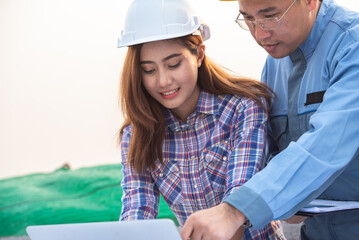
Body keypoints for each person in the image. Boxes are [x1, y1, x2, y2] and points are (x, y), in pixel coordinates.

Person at [180, 0, 359, 239]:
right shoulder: (275, 65)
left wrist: (235, 211)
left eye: (270, 16)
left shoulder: (352, 45)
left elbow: (326, 146)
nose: (260, 33)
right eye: (249, 19)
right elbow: (273, 151)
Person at [117, 0, 286, 239]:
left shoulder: (243, 109)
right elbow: (137, 211)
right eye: (149, 70)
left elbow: (239, 204)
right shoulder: (136, 133)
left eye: (173, 64)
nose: (164, 81)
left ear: (198, 54)